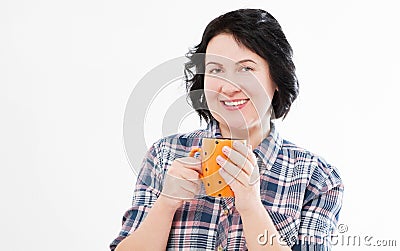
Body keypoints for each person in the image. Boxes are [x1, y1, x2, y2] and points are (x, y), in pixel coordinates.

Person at [111, 9, 344, 251]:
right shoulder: (164, 155)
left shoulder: (317, 178)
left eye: (246, 69)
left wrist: (251, 206)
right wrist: (167, 203)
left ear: (276, 77)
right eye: (216, 70)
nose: (229, 86)